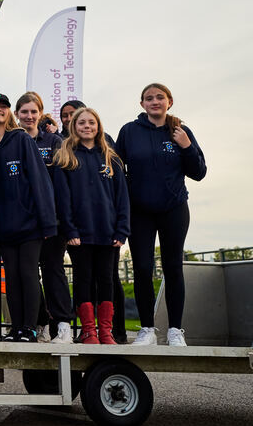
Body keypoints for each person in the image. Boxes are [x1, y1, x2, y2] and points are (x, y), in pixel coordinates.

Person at [117, 83, 206, 347]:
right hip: (140, 211)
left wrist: (187, 146)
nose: (154, 101)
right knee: (142, 269)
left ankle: (175, 330)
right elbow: (116, 168)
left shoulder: (180, 131)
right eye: (149, 98)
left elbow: (199, 172)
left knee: (173, 268)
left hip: (174, 209)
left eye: (159, 97)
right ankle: (147, 330)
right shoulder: (129, 132)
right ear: (142, 104)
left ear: (169, 102)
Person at [0, 93, 57, 342]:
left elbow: (40, 180)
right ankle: (16, 328)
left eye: (2, 106)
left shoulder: (21, 139)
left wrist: (47, 221)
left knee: (28, 274)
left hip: (30, 224)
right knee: (11, 278)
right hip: (3, 226)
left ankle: (30, 328)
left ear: (9, 112)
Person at [54, 107, 130, 345]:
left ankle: (105, 331)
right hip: (79, 234)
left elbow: (122, 197)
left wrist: (122, 229)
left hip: (108, 233)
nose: (87, 126)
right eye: (81, 123)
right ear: (73, 126)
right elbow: (62, 199)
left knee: (107, 280)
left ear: (98, 126)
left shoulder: (111, 158)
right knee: (84, 279)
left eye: (91, 122)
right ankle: (88, 330)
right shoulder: (66, 157)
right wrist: (70, 230)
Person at [15, 92, 74, 343]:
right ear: (17, 114)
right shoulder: (12, 141)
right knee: (27, 274)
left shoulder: (54, 142)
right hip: (24, 222)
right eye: (24, 112)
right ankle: (38, 323)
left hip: (52, 221)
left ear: (40, 114)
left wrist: (63, 221)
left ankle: (62, 325)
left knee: (53, 271)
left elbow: (63, 185)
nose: (29, 116)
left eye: (33, 112)